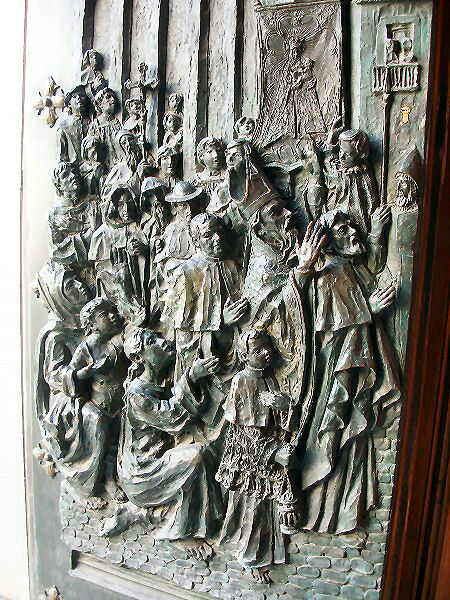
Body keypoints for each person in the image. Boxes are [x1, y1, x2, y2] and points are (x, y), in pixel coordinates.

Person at [300, 210, 401, 534]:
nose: (354, 232)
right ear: (329, 243)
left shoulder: (350, 266)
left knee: (353, 443)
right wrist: (368, 311)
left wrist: (377, 233)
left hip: (355, 371)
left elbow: (370, 273)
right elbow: (329, 332)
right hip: (337, 376)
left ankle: (345, 516)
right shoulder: (330, 273)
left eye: (353, 226)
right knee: (334, 440)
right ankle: (323, 514)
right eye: (344, 230)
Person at [100, 327, 223, 560]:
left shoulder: (161, 379)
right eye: (151, 341)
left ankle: (141, 514)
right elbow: (171, 417)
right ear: (140, 358)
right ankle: (181, 532)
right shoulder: (137, 394)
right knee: (196, 457)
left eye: (157, 336)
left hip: (157, 461)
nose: (162, 340)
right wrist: (191, 378)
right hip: (141, 474)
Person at [217, 329, 298, 583]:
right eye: (258, 350)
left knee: (267, 508)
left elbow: (279, 420)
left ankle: (266, 557)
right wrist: (273, 453)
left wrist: (286, 407)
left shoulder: (270, 378)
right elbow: (243, 432)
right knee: (252, 510)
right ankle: (250, 559)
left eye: (268, 347)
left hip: (269, 450)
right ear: (244, 356)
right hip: (249, 459)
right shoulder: (241, 381)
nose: (266, 353)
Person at [161, 213, 249, 426]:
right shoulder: (186, 273)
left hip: (238, 350)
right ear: (196, 241)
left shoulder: (231, 266)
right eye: (208, 235)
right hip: (209, 359)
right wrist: (221, 320)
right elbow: (184, 334)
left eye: (219, 232)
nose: (217, 238)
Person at [62, 297, 128, 508]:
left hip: (118, 405)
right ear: (92, 325)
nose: (113, 316)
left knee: (114, 444)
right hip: (97, 406)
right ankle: (89, 485)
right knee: (101, 436)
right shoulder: (86, 348)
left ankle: (110, 479)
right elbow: (68, 375)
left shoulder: (116, 343)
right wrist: (86, 372)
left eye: (113, 312)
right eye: (104, 315)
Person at [34, 262, 92, 481]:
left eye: (75, 280)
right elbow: (53, 374)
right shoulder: (57, 334)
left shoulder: (90, 314)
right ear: (59, 298)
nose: (80, 285)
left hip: (98, 381)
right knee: (94, 419)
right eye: (70, 287)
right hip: (71, 396)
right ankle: (93, 477)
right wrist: (77, 375)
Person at [89, 183, 148, 322]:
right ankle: (131, 311)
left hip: (141, 281)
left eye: (129, 203)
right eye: (121, 205)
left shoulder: (140, 223)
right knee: (121, 273)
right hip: (117, 284)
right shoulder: (103, 234)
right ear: (114, 207)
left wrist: (142, 249)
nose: (126, 209)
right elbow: (102, 270)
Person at [49, 161, 93, 269]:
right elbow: (58, 252)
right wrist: (90, 232)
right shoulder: (55, 216)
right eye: (65, 175)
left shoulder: (92, 204)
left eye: (74, 172)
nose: (73, 176)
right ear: (59, 186)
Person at [88, 85, 122, 168]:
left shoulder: (118, 123)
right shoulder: (95, 125)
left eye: (113, 97)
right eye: (108, 97)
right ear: (100, 104)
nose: (113, 100)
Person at [56, 85, 90, 164]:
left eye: (81, 95)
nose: (78, 98)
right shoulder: (63, 127)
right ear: (69, 104)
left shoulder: (93, 122)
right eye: (74, 96)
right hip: (75, 168)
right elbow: (61, 158)